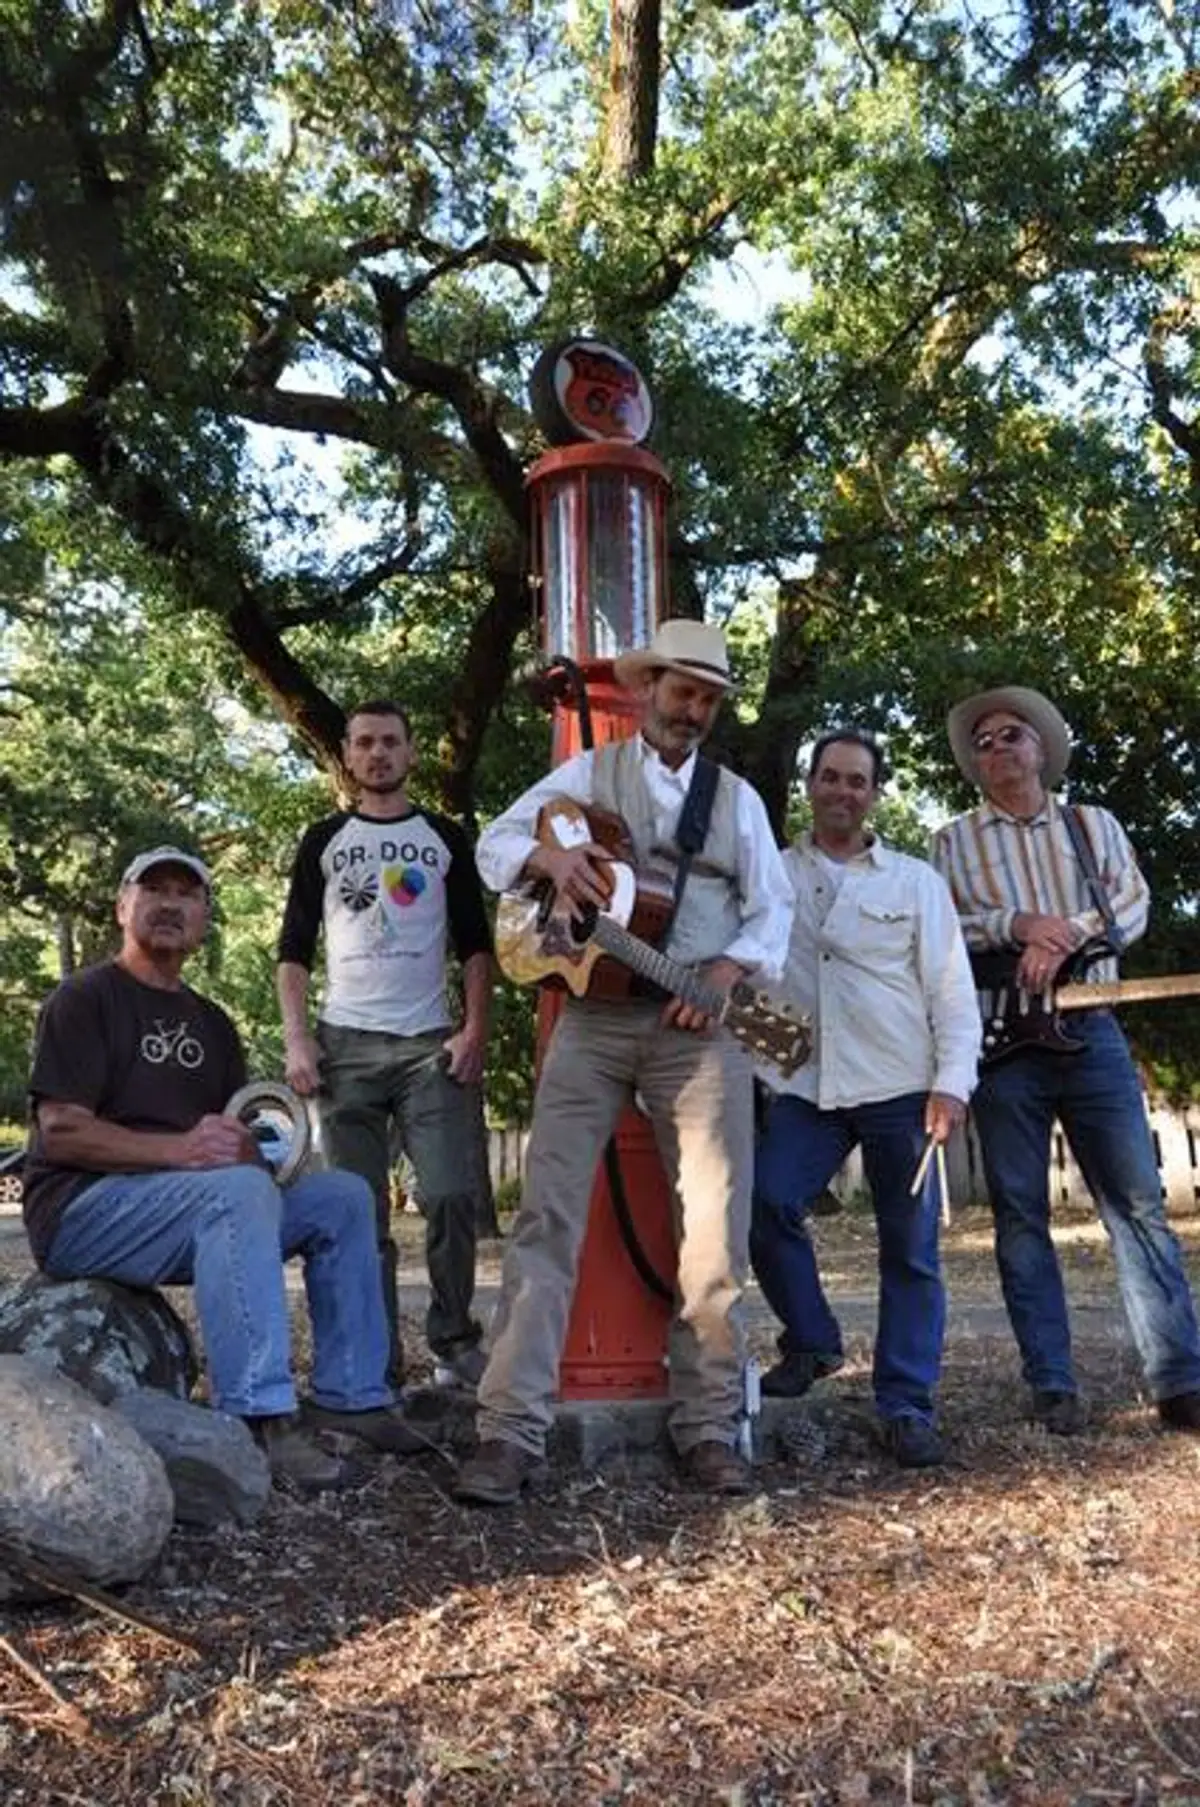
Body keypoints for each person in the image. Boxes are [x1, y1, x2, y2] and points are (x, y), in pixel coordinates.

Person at [454, 619, 794, 1503]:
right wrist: (552, 857)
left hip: (700, 1030)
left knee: (714, 1234)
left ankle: (710, 1426)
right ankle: (509, 1431)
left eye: (709, 697)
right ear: (645, 691)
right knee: (546, 1218)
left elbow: (776, 913)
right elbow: (494, 847)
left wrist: (726, 969)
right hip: (593, 1022)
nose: (694, 709)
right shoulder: (585, 776)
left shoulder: (736, 800)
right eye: (681, 691)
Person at [22, 847, 424, 1491]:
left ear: (204, 918)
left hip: (185, 1208)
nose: (171, 904)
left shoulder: (212, 1024)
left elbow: (231, 1135)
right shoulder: (83, 999)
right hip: (83, 1211)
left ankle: (352, 1397)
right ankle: (259, 1417)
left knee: (344, 1195)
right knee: (233, 1194)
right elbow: (63, 1130)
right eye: (154, 889)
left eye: (188, 894)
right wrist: (183, 1152)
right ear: (124, 905)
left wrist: (258, 1151)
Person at [931, 685, 1200, 1434]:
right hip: (1003, 1044)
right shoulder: (952, 840)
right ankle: (1052, 1385)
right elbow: (940, 922)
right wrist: (1016, 922)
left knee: (1138, 1205)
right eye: (982, 741)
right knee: (1020, 1215)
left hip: (1094, 1034)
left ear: (1041, 749)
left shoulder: (1093, 825)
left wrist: (1064, 933)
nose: (997, 747)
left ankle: (1180, 1380)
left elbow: (1130, 905)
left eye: (1011, 734)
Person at [751, 729, 981, 1467]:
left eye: (857, 780)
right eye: (830, 777)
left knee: (910, 1249)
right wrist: (760, 1060)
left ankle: (906, 1402)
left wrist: (953, 1082)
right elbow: (745, 978)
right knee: (764, 1200)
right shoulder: (771, 876)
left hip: (900, 1085)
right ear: (810, 784)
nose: (843, 791)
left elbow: (950, 987)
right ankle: (812, 1342)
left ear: (874, 792)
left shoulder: (913, 881)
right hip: (807, 1088)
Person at [277, 699, 494, 1392]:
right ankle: (372, 1353)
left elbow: (477, 946)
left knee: (454, 1194)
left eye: (390, 742)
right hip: (345, 1047)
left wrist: (475, 1029)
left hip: (430, 1045)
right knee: (356, 1211)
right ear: (346, 753)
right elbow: (292, 950)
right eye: (365, 742)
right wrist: (298, 1038)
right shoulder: (323, 839)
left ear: (410, 751)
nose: (378, 753)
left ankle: (454, 1337)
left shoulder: (444, 837)